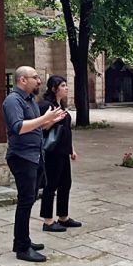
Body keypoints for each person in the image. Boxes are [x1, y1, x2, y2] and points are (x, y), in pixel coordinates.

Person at [3, 66, 66, 263]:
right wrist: (44, 118)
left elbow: (36, 127)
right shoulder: (13, 101)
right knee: (25, 201)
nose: (39, 81)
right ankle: (22, 247)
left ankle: (22, 240)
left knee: (29, 200)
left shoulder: (29, 100)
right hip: (22, 157)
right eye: (35, 77)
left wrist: (50, 121)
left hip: (35, 156)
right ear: (22, 80)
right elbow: (19, 127)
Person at [38, 75, 82, 233]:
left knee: (66, 183)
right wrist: (54, 120)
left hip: (63, 151)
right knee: (51, 185)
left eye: (66, 85)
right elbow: (41, 128)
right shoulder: (46, 106)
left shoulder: (60, 105)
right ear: (53, 88)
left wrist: (72, 149)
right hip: (52, 152)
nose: (66, 88)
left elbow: (66, 131)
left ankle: (63, 216)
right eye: (63, 85)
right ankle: (48, 221)